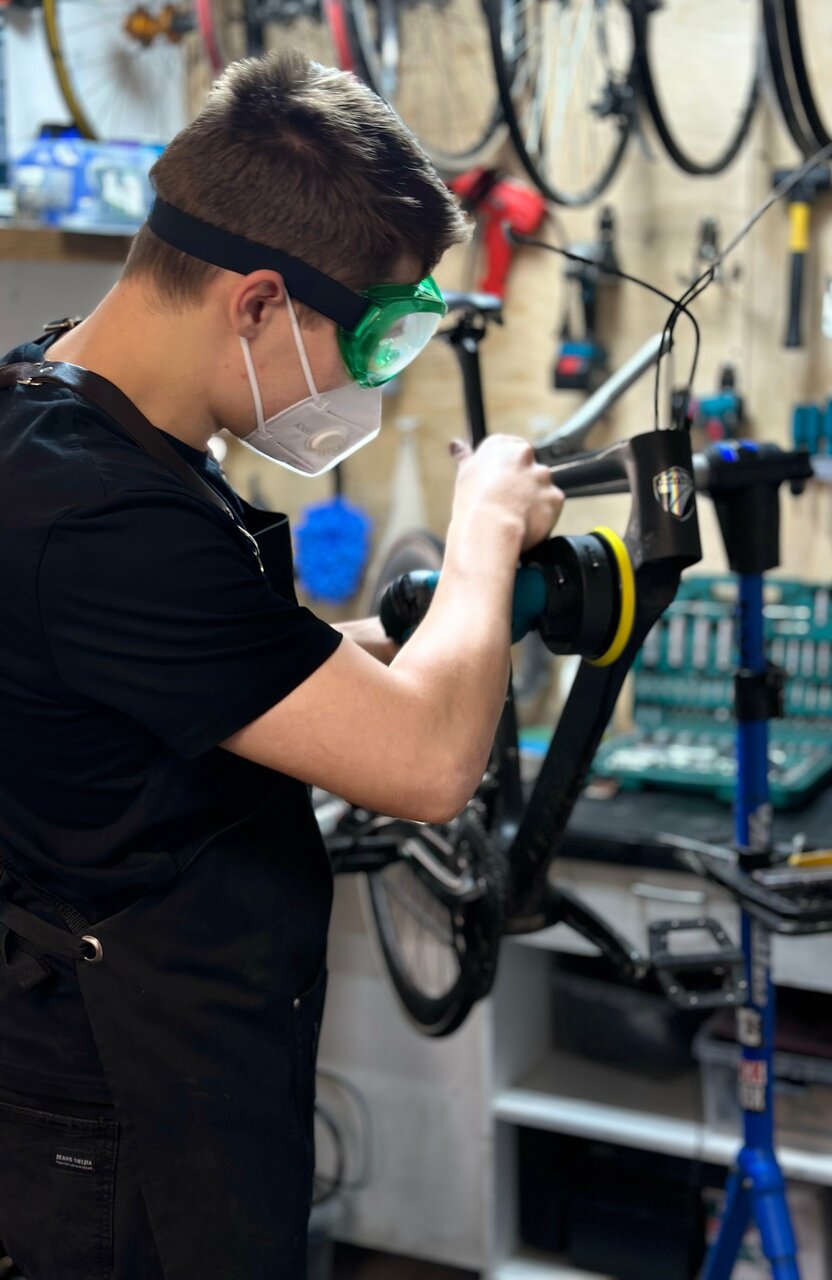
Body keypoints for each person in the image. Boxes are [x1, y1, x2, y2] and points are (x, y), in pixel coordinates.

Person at [0, 50, 563, 1280]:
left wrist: (420, 638)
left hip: (172, 1072)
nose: (370, 380)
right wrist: (481, 527)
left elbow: (227, 675)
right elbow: (428, 765)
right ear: (257, 303)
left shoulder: (72, 412)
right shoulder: (95, 515)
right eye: (371, 339)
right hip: (117, 1128)